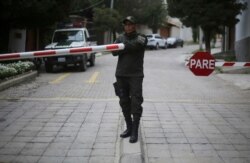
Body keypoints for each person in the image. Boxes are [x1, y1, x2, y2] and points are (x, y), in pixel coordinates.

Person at [112, 16, 147, 143]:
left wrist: (123, 47)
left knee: (136, 103)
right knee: (124, 102)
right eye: (126, 24)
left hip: (136, 75)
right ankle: (129, 127)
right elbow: (114, 52)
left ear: (134, 25)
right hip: (121, 75)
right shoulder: (120, 38)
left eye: (130, 24)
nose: (128, 26)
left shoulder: (142, 37)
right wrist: (124, 47)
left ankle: (135, 131)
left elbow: (135, 46)